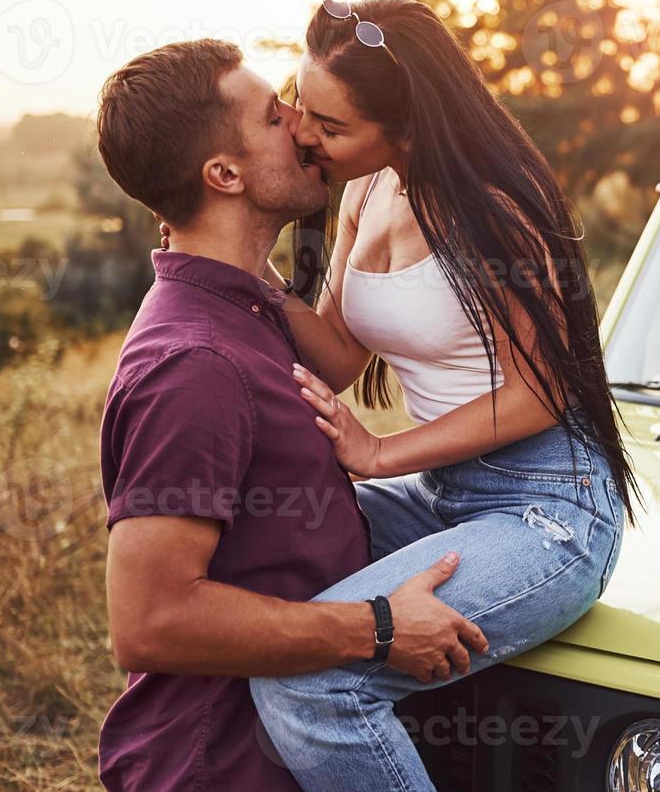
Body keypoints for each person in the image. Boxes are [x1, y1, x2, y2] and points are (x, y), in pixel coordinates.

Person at [244, 0, 636, 792]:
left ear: (409, 127)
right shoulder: (363, 190)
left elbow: (541, 395)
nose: (302, 133)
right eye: (300, 105)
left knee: (308, 683)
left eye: (331, 125)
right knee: (257, 572)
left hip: (550, 510)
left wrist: (379, 451)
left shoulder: (492, 208)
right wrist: (245, 270)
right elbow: (341, 354)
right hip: (444, 498)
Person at [94, 38, 487, 792]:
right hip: (226, 766)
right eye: (277, 115)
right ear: (225, 174)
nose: (304, 125)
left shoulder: (245, 307)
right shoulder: (196, 363)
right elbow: (149, 620)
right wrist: (376, 628)